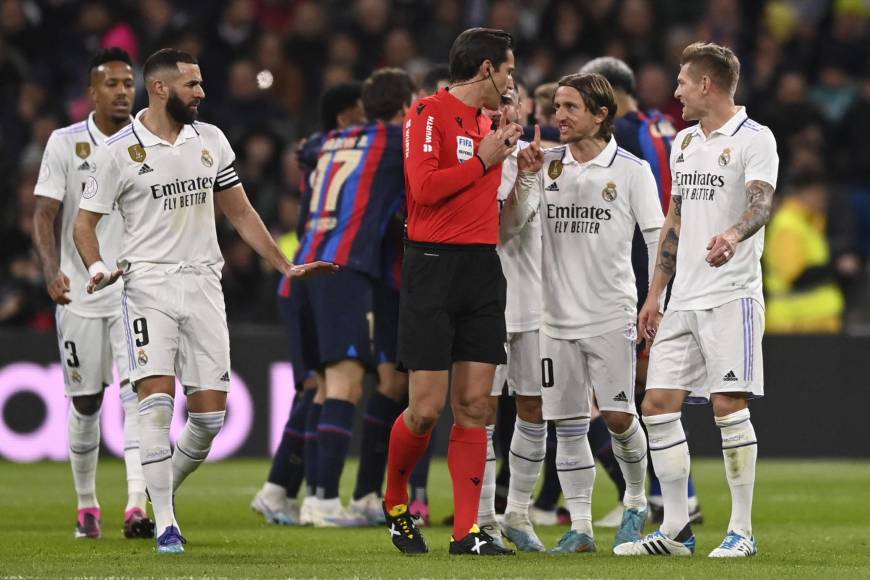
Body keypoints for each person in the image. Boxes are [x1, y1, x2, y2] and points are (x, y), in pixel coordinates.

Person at [73, 48, 335, 555]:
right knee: (154, 403)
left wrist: (285, 264)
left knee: (210, 418)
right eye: (193, 84)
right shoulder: (117, 151)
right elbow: (85, 224)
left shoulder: (210, 139)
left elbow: (239, 212)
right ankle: (167, 523)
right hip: (147, 284)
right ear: (162, 88)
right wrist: (98, 266)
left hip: (204, 284)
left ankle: (156, 488)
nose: (202, 92)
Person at [616, 42, 778, 558]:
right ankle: (678, 530)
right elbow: (675, 219)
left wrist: (732, 234)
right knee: (657, 405)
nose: (677, 90)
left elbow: (761, 205)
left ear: (707, 84)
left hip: (732, 295)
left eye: (683, 81)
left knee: (729, 407)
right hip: (682, 296)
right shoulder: (684, 141)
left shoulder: (756, 138)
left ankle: (742, 531)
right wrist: (655, 293)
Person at [381, 27, 521, 556]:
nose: (511, 82)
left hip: (483, 267)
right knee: (425, 408)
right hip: (432, 265)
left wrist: (509, 159)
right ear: (485, 69)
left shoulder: (490, 125)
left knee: (476, 404)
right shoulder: (426, 114)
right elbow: (424, 189)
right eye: (507, 70)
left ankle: (468, 533)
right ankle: (395, 500)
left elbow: (493, 196)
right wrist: (485, 158)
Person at [509, 73, 662, 554]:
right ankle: (581, 528)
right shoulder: (544, 163)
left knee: (618, 416)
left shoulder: (632, 170)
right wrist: (527, 178)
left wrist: (654, 299)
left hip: (611, 312)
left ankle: (637, 501)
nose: (560, 116)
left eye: (572, 107)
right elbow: (512, 227)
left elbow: (657, 237)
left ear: (601, 113)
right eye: (557, 106)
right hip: (553, 317)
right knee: (569, 424)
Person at [32, 47, 154, 541]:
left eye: (129, 83)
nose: (123, 91)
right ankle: (87, 505)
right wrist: (49, 269)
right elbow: (44, 214)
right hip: (80, 293)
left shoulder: (148, 143)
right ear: (92, 92)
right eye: (113, 84)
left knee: (138, 395)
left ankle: (136, 503)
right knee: (85, 402)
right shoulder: (64, 144)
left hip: (135, 290)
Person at [580, 55, 704, 528]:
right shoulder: (662, 126)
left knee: (615, 397)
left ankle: (651, 495)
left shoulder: (622, 139)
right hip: (675, 267)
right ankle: (672, 495)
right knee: (643, 391)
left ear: (604, 96)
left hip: (638, 272)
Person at [293, 67, 415, 527]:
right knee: (345, 383)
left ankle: (319, 496)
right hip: (344, 267)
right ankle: (323, 502)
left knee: (326, 386)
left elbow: (302, 150)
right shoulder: (392, 139)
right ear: (405, 108)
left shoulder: (328, 142)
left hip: (307, 260)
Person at [251, 82, 365, 527]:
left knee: (316, 385)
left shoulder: (319, 155)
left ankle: (279, 490)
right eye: (361, 113)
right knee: (328, 385)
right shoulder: (349, 157)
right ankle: (314, 497)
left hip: (304, 278)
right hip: (316, 276)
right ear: (343, 118)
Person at [763, 170, 845, 333]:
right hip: (795, 324)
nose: (823, 200)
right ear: (805, 194)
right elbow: (794, 276)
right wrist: (836, 268)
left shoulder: (809, 221)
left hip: (814, 322)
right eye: (820, 194)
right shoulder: (788, 225)